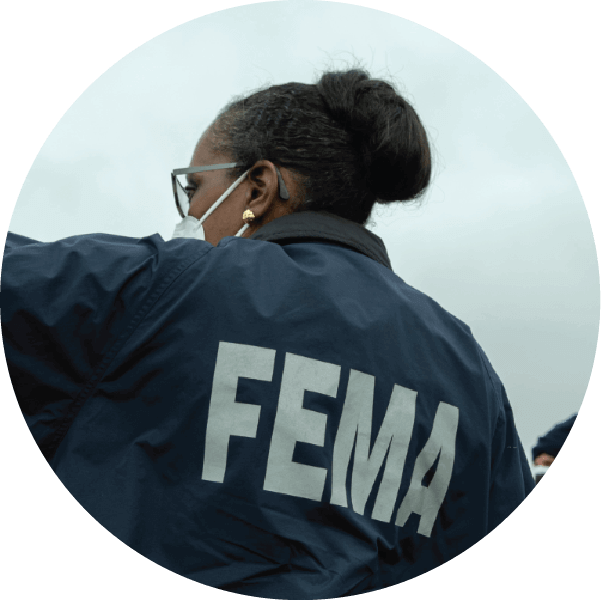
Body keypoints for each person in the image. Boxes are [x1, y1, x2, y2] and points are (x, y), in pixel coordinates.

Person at [1, 65, 536, 598]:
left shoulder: (164, 289)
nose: (190, 211)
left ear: (258, 186)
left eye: (195, 187)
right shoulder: (469, 372)